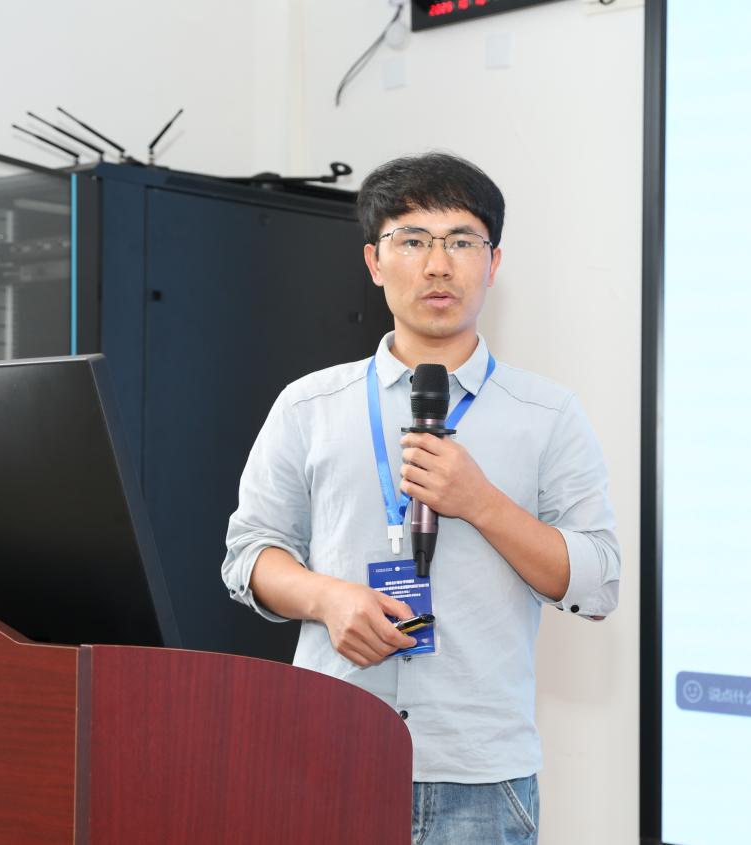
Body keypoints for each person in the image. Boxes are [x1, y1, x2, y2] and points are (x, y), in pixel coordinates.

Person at [221, 152, 620, 845]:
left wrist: (481, 501)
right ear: (374, 262)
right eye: (412, 240)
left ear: (493, 263)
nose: (438, 266)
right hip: (326, 752)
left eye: (462, 241)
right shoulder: (309, 404)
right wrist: (327, 598)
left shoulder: (547, 414)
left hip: (480, 776)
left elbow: (597, 581)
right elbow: (248, 555)